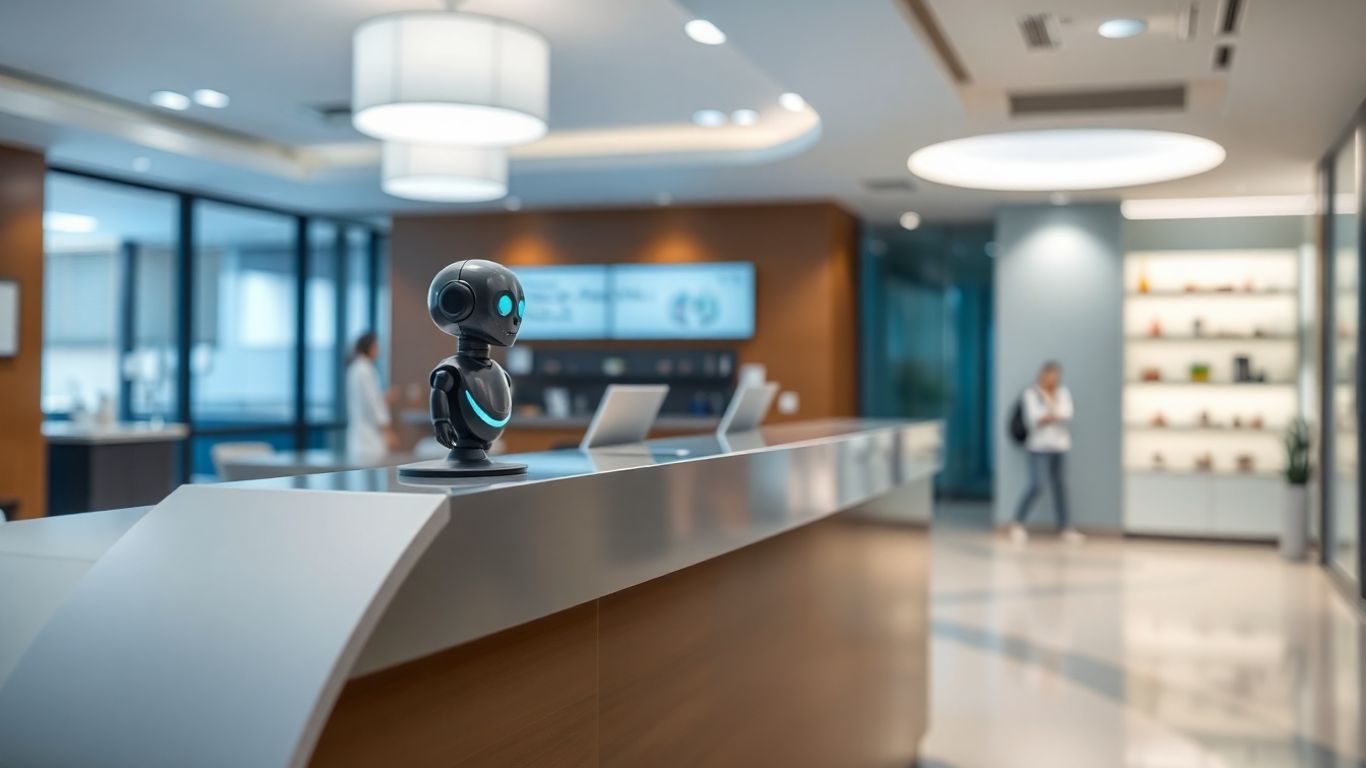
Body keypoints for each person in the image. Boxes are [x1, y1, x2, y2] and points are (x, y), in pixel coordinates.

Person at [1010, 361, 1084, 545]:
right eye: (1050, 375)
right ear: (1042, 375)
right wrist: (1052, 414)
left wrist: (1050, 414)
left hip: (1060, 446)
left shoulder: (1062, 393)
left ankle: (1065, 527)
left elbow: (1067, 413)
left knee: (1061, 487)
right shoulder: (1031, 393)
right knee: (1037, 484)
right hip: (1038, 447)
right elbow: (1034, 419)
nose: (1053, 379)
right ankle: (1018, 523)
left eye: (1056, 376)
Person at [345, 332, 398, 459]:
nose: (379, 350)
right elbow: (373, 404)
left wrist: (384, 398)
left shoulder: (355, 368)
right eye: (377, 346)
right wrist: (388, 432)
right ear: (369, 348)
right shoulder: (365, 370)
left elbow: (368, 400)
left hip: (361, 435)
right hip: (369, 439)